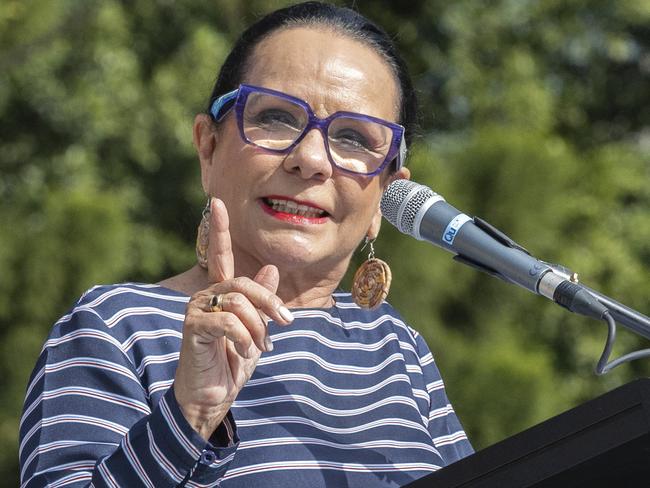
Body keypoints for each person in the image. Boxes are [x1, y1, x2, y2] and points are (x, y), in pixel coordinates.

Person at [19, 2, 473, 486]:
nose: (312, 159)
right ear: (208, 148)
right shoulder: (116, 327)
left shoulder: (396, 345)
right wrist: (189, 414)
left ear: (385, 194)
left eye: (355, 139)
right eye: (276, 117)